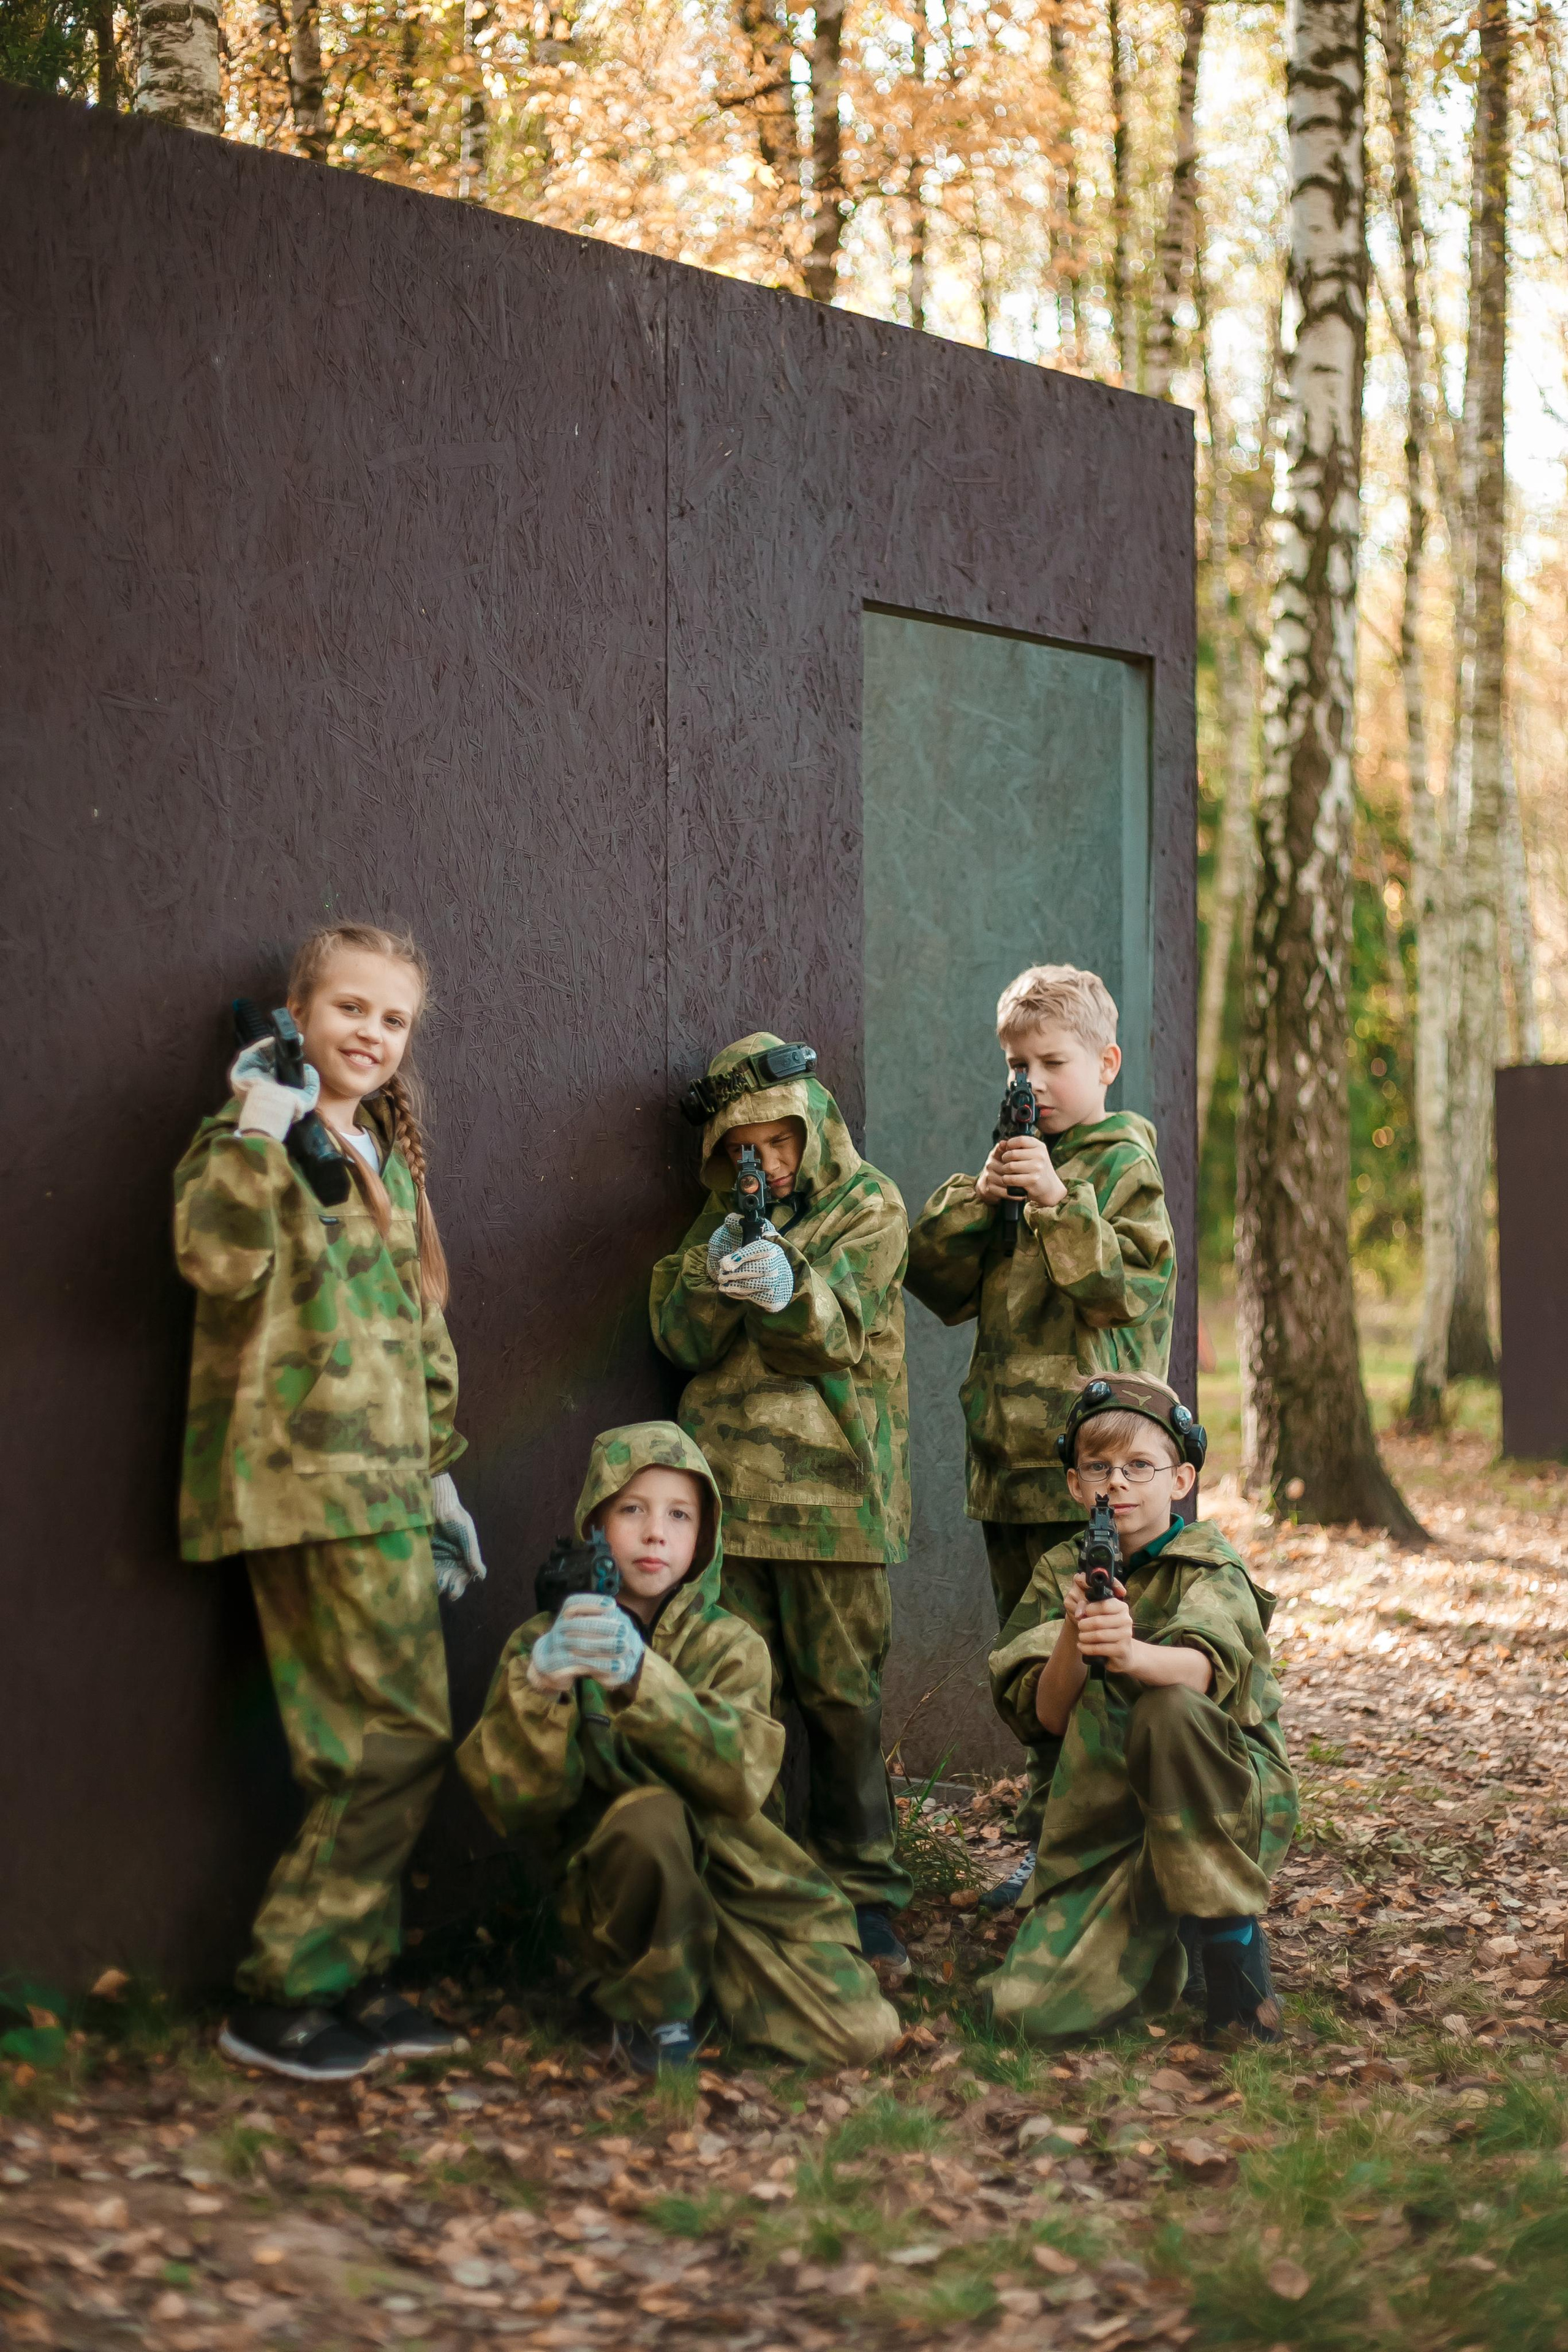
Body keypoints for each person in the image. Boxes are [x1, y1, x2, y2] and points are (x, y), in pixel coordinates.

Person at [174, 923, 487, 2083]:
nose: (372, 1032)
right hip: (306, 1483)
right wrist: (258, 1126)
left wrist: (439, 1469)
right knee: (377, 1747)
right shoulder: (252, 1136)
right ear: (297, 1015)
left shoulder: (383, 1155)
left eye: (394, 1019)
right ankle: (285, 1993)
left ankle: (349, 1979)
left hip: (389, 1486)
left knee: (397, 1741)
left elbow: (418, 1331)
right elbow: (213, 1261)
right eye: (350, 1008)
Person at [458, 1422, 901, 2071]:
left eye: (679, 1515)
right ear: (594, 1527)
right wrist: (542, 1684)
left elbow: (737, 1779)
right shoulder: (548, 1640)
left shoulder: (731, 1645)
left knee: (856, 2034)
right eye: (631, 1510)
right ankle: (653, 2010)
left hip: (735, 1886)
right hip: (620, 1897)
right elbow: (512, 1798)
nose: (655, 1533)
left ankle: (703, 1988)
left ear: (705, 1537)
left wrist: (639, 1677)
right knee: (649, 1819)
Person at [903, 963, 1175, 1905]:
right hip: (1012, 1471)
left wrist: (1061, 1202)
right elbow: (933, 1288)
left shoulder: (1122, 1168)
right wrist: (984, 1201)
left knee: (1106, 1663)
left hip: (1103, 1481)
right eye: (1017, 1063)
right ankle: (1047, 1846)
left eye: (1054, 1061)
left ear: (1105, 1062)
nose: (1033, 1083)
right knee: (1036, 1674)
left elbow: (1125, 1291)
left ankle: (1110, 1853)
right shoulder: (1008, 1172)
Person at [647, 1033, 914, 1969]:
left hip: (838, 1503)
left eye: (779, 1140)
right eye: (743, 1148)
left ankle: (865, 1897)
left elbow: (835, 1334)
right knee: (741, 1703)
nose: (763, 1162)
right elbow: (678, 1337)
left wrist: (788, 1284)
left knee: (844, 1707)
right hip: (730, 1509)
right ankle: (753, 1889)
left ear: (814, 1129)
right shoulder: (715, 1218)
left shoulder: (868, 1205)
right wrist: (719, 1274)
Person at [982, 1374, 1297, 2045]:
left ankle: (1229, 1944)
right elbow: (1046, 1717)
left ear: (1180, 1479)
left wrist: (1129, 1655)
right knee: (1027, 2014)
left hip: (1220, 1802)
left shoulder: (1207, 1566)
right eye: (1097, 1467)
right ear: (1074, 1486)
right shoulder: (1059, 1570)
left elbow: (1201, 1669)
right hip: (1103, 1816)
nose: (1115, 1484)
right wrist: (1075, 1631)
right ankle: (1166, 1941)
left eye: (1138, 1467)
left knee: (1169, 1711)